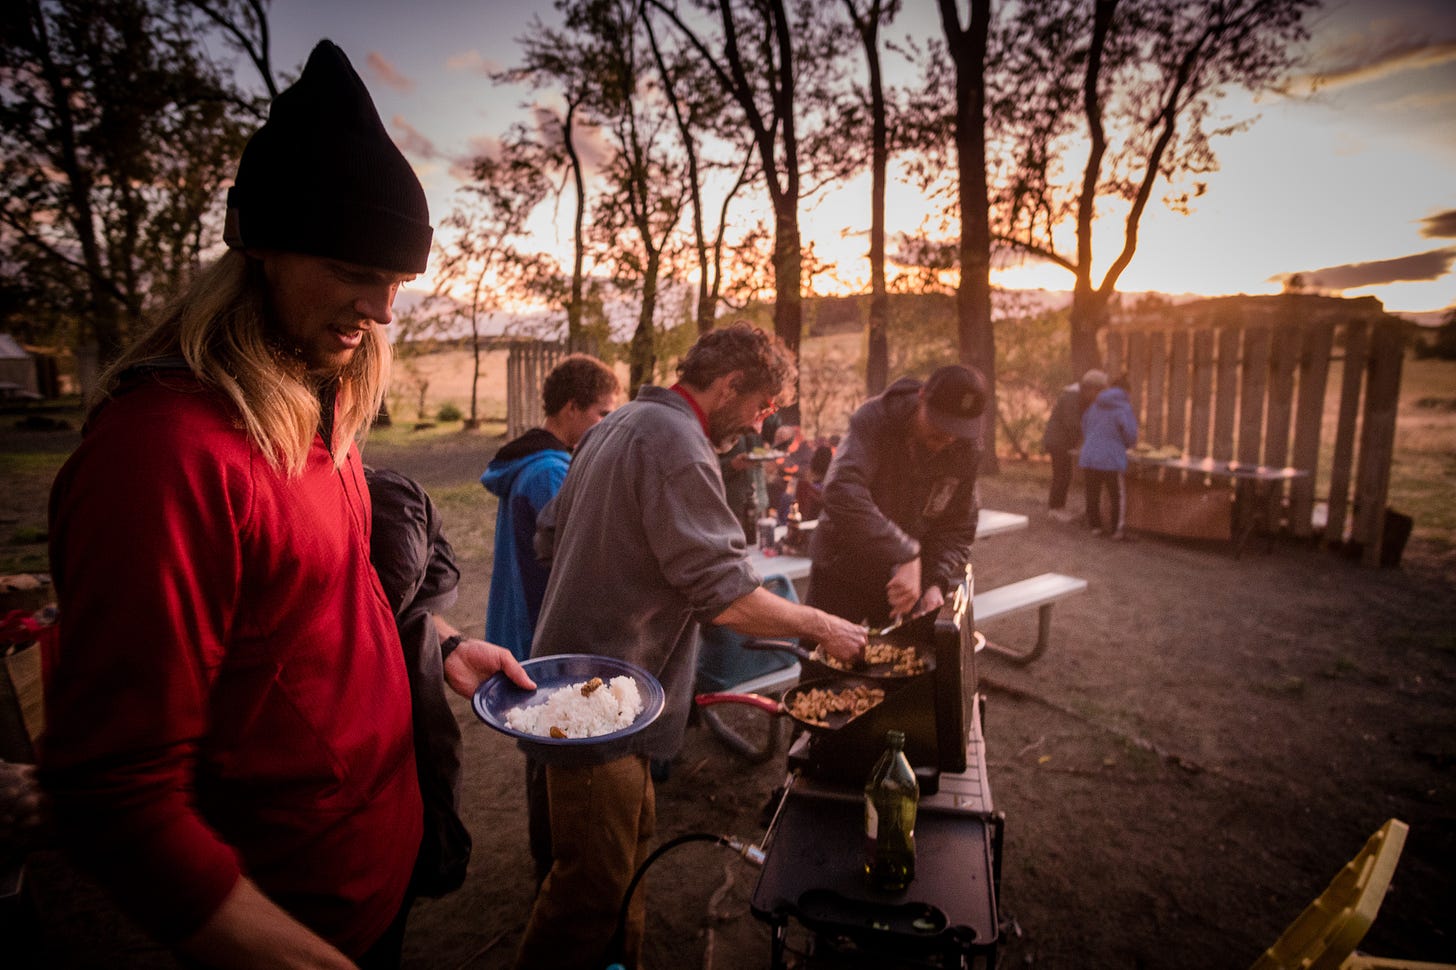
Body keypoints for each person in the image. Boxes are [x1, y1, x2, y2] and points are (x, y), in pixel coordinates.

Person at [41, 40, 529, 969]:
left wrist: (442, 645)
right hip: (293, 912)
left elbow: (311, 614)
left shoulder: (315, 406)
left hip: (377, 867)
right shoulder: (162, 457)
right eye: (354, 269)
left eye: (396, 282)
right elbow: (117, 793)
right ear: (261, 243)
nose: (381, 309)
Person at [514, 321, 867, 970]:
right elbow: (730, 599)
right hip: (598, 704)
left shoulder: (611, 426)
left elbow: (548, 536)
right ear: (730, 385)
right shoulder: (677, 443)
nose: (763, 423)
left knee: (626, 858)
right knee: (588, 895)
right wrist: (824, 626)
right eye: (763, 406)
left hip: (587, 689)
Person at [807, 363, 987, 628]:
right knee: (822, 659)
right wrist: (904, 552)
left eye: (958, 428)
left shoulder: (966, 449)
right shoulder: (875, 419)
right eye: (940, 422)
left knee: (907, 663)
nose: (949, 436)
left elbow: (957, 528)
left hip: (908, 584)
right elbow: (841, 490)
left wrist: (935, 581)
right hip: (842, 567)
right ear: (922, 396)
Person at [481, 353, 621, 662]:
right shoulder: (549, 472)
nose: (608, 425)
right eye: (603, 414)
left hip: (516, 631)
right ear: (572, 408)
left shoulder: (530, 460)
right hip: (534, 636)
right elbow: (579, 561)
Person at [1043, 369, 1108, 523]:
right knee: (1061, 474)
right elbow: (1071, 423)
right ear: (1090, 387)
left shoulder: (1080, 398)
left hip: (1064, 441)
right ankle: (1055, 508)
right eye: (1097, 391)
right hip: (1058, 440)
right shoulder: (1071, 397)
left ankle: (1058, 506)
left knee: (1065, 473)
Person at [1080, 373, 1139, 540]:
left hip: (1089, 455)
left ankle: (1095, 527)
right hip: (1111, 458)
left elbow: (1084, 425)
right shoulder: (1123, 407)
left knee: (1093, 492)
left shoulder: (1094, 405)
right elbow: (1130, 434)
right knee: (1117, 495)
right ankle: (1117, 530)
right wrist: (1124, 445)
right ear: (1127, 391)